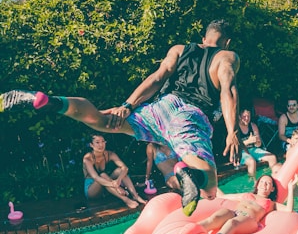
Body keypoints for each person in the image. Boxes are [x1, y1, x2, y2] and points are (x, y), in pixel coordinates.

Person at [0, 19, 241, 217]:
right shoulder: (227, 56)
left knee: (101, 120)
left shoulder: (179, 49)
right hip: (190, 116)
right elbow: (227, 90)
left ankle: (51, 102)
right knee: (209, 188)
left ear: (204, 36)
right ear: (227, 41)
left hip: (159, 110)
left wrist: (127, 106)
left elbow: (157, 78)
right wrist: (232, 131)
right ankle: (186, 172)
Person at [177, 174, 297, 234]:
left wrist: (290, 189)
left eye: (268, 183)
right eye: (262, 181)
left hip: (250, 220)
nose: (264, 185)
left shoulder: (271, 203)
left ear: (272, 189)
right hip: (235, 213)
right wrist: (210, 184)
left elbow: (288, 209)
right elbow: (223, 196)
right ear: (257, 183)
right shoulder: (245, 194)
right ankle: (190, 232)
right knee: (218, 215)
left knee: (232, 222)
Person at [83, 133, 147, 208]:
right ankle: (126, 200)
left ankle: (135, 196)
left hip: (107, 186)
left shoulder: (109, 154)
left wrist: (119, 180)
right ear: (91, 145)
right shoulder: (88, 158)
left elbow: (125, 168)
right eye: (97, 142)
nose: (101, 145)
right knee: (102, 175)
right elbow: (96, 177)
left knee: (120, 171)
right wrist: (117, 187)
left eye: (103, 141)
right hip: (92, 190)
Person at [238, 108, 277, 178]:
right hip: (241, 151)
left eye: (248, 116)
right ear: (239, 117)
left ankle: (275, 178)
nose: (247, 118)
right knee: (252, 162)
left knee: (272, 157)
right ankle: (252, 183)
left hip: (253, 149)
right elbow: (235, 146)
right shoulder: (236, 128)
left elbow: (259, 144)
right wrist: (248, 141)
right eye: (244, 116)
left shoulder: (253, 126)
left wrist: (257, 142)